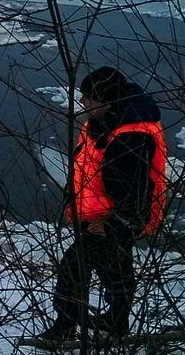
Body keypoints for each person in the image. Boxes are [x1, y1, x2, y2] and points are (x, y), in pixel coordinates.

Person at [34, 66, 168, 346]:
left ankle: (65, 327)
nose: (83, 103)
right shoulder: (103, 123)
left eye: (89, 98)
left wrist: (110, 223)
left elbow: (135, 193)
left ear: (107, 101)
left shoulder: (130, 138)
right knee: (115, 270)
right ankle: (116, 322)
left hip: (114, 220)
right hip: (99, 215)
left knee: (74, 267)